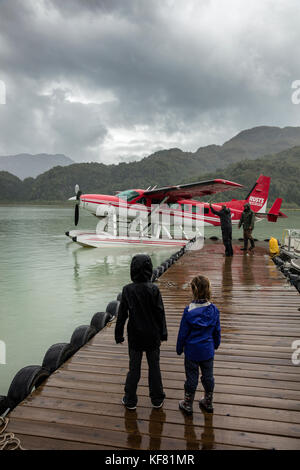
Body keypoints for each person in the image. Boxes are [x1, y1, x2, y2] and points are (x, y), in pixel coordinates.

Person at [115, 254, 168, 410]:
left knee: (134, 369)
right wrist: (163, 333)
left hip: (135, 336)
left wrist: (118, 335)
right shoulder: (154, 289)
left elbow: (122, 314)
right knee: (154, 367)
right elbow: (160, 313)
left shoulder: (127, 290)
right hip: (153, 336)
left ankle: (130, 399)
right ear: (149, 269)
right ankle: (157, 399)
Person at [176, 275, 221, 415]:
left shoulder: (189, 310)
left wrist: (179, 348)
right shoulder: (214, 310)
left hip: (192, 352)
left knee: (191, 378)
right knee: (208, 377)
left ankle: (188, 404)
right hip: (207, 351)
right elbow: (217, 331)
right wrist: (216, 344)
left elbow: (183, 332)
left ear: (193, 290)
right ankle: (208, 401)